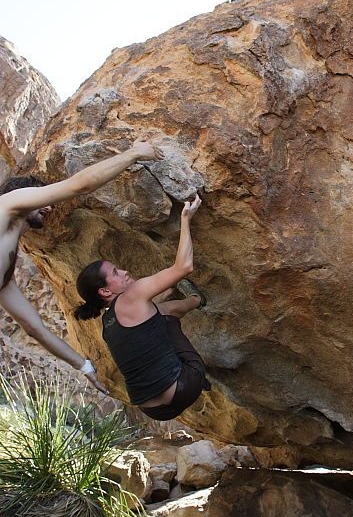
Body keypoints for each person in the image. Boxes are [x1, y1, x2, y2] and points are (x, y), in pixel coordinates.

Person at [0, 137, 163, 392]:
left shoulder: (5, 269)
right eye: (42, 198)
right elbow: (80, 185)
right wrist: (133, 154)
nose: (50, 206)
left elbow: (34, 328)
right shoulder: (7, 203)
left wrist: (84, 367)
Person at [74, 194, 210, 420]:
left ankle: (195, 300)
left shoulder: (108, 325)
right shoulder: (131, 298)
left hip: (153, 410)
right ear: (105, 291)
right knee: (165, 315)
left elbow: (147, 324)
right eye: (116, 273)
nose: (125, 272)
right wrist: (186, 220)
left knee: (161, 312)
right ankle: (196, 299)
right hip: (184, 387)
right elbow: (184, 266)